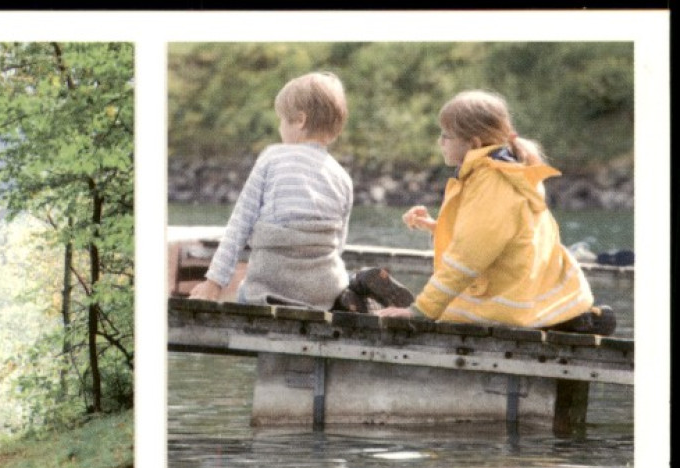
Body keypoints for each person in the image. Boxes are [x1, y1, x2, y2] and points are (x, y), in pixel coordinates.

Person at [375, 90, 614, 334]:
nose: (440, 142)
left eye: (446, 136)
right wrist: (437, 227)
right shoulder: (504, 172)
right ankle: (569, 316)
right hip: (538, 295)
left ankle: (567, 319)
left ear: (474, 143)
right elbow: (493, 238)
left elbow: (469, 255)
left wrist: (421, 310)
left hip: (511, 308)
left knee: (443, 314)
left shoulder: (492, 181)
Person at [190, 73, 411, 313]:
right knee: (330, 268)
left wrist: (213, 284)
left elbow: (238, 226)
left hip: (270, 285)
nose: (279, 128)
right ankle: (349, 287)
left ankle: (345, 285)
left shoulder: (271, 159)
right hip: (321, 290)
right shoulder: (341, 177)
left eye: (282, 121)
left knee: (244, 292)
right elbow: (338, 244)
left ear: (300, 121)